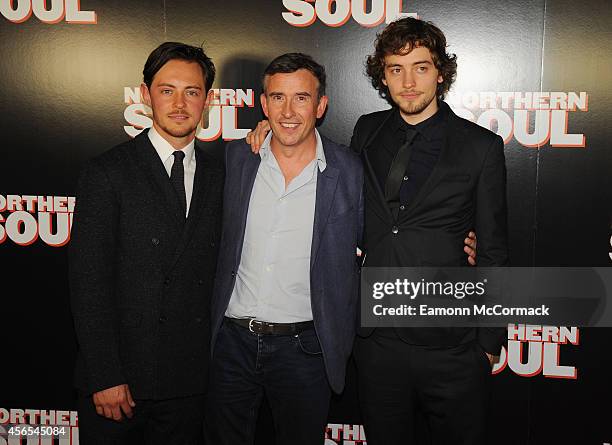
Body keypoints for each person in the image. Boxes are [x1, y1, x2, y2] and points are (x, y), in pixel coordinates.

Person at [350, 17, 508, 445]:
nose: (409, 81)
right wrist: (269, 131)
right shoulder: (367, 131)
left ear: (441, 72)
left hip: (452, 347)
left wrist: (488, 343)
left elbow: (493, 250)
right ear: (383, 76)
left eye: (421, 67)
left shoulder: (481, 147)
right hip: (377, 342)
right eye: (396, 69)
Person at [205, 53, 363, 445]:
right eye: (278, 98)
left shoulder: (351, 171)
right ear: (264, 104)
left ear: (321, 105)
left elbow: (388, 235)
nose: (288, 111)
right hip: (232, 344)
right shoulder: (238, 157)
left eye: (301, 98)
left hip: (305, 350)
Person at [70, 42, 223, 445]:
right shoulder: (107, 172)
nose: (178, 103)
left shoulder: (221, 173)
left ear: (207, 100)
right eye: (166, 90)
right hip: (120, 385)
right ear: (144, 94)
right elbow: (88, 284)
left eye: (191, 92)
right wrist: (105, 375)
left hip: (189, 385)